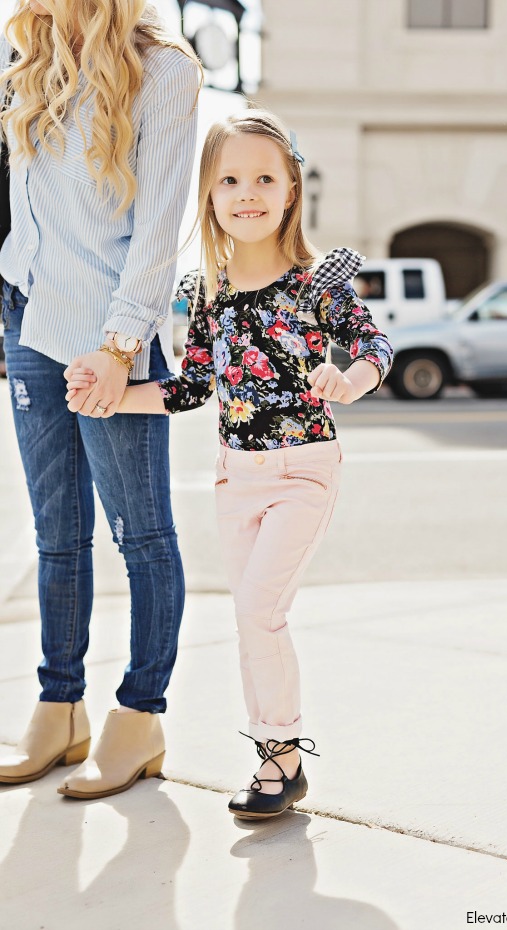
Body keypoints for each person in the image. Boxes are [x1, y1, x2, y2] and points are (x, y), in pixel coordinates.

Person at [65, 109, 393, 819]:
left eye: (265, 178)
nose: (248, 193)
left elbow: (376, 346)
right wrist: (109, 397)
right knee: (253, 621)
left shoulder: (316, 284)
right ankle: (277, 761)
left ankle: (281, 760)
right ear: (209, 195)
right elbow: (189, 389)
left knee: (257, 610)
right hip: (234, 476)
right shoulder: (204, 293)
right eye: (230, 180)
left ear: (291, 190)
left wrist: (351, 377)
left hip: (304, 469)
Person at [0, 0, 201, 800]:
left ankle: (140, 716)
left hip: (109, 336)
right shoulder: (28, 63)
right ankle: (60, 708)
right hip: (27, 318)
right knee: (56, 536)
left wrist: (120, 348)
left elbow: (159, 228)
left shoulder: (165, 70)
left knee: (140, 536)